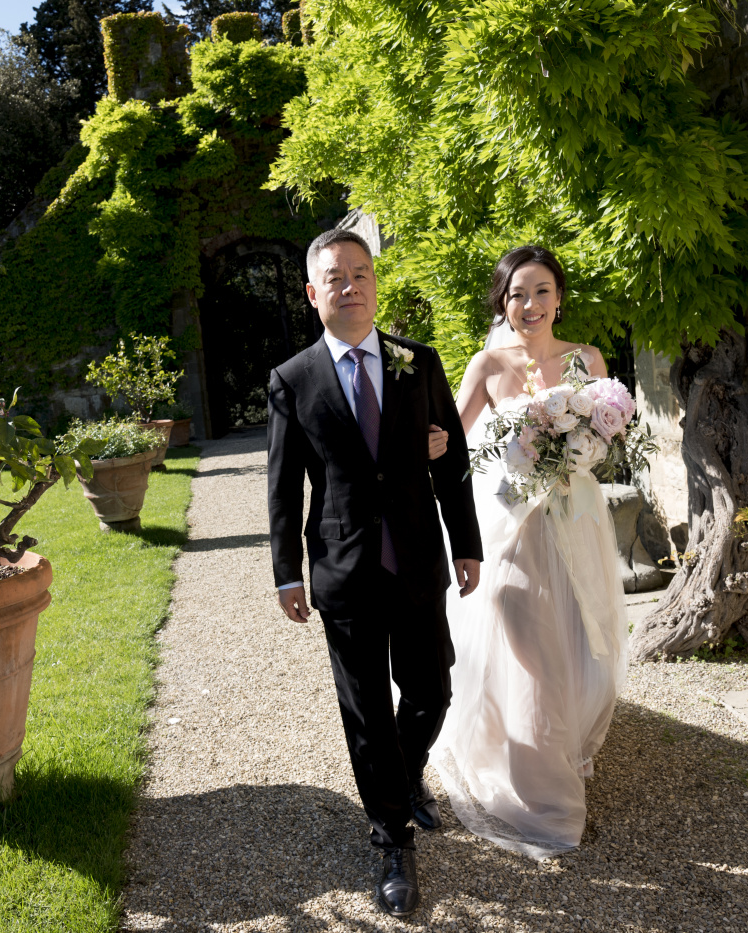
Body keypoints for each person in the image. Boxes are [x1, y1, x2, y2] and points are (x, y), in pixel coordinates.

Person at [266, 228, 483, 917]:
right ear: (313, 292)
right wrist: (286, 572)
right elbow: (284, 487)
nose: (351, 285)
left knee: (432, 689)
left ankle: (403, 769)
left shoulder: (418, 363)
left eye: (361, 274)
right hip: (344, 569)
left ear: (375, 284)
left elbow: (451, 464)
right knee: (364, 712)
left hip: (417, 558)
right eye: (337, 277)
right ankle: (393, 840)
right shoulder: (292, 380)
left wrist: (467, 544)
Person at [434, 244, 630, 858]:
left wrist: (582, 449)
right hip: (511, 524)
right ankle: (540, 784)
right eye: (517, 293)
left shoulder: (588, 360)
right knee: (527, 639)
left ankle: (560, 741)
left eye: (541, 290)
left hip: (577, 519)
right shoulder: (489, 364)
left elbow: (612, 436)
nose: (530, 304)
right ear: (503, 302)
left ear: (559, 297)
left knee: (576, 631)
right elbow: (449, 438)